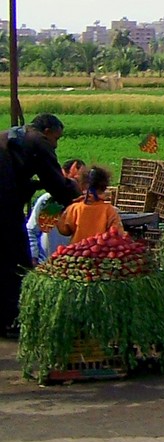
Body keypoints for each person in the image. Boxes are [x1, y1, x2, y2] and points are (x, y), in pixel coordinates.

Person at [0, 114, 82, 338]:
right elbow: (54, 181)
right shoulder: (39, 141)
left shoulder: (14, 134)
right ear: (47, 131)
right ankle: (11, 320)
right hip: (3, 206)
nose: (55, 144)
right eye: (56, 138)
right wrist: (76, 195)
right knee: (15, 260)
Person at [26, 158, 86, 264]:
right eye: (73, 180)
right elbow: (32, 230)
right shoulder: (52, 202)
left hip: (76, 266)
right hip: (47, 264)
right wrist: (34, 257)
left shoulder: (86, 204)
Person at [57, 166, 124, 244]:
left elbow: (64, 231)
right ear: (104, 187)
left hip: (76, 251)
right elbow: (117, 233)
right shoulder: (109, 210)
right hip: (100, 252)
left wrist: (60, 215)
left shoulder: (74, 208)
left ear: (82, 186)